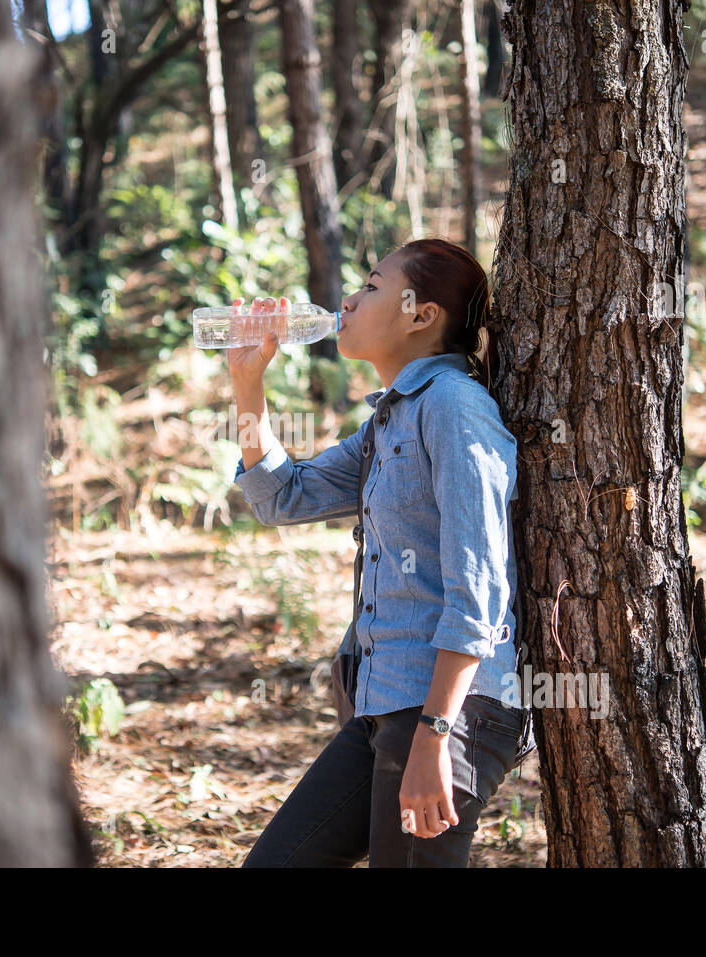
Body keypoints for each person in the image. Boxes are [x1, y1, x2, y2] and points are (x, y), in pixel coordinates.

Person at [228, 238, 529, 868]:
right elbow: (283, 497)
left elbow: (480, 585)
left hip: (449, 708)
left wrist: (436, 736)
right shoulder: (392, 419)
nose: (348, 299)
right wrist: (247, 383)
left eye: (371, 286)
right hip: (388, 704)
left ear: (421, 315)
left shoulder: (453, 407)